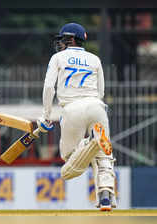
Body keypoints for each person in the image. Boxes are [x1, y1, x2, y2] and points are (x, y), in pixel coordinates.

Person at [37, 23, 116, 211]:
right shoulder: (94, 59)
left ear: (70, 39)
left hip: (72, 109)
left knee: (69, 162)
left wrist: (46, 115)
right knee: (105, 156)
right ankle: (106, 195)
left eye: (62, 39)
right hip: (97, 106)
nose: (60, 43)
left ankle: (90, 142)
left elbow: (49, 87)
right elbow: (101, 91)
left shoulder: (58, 57)